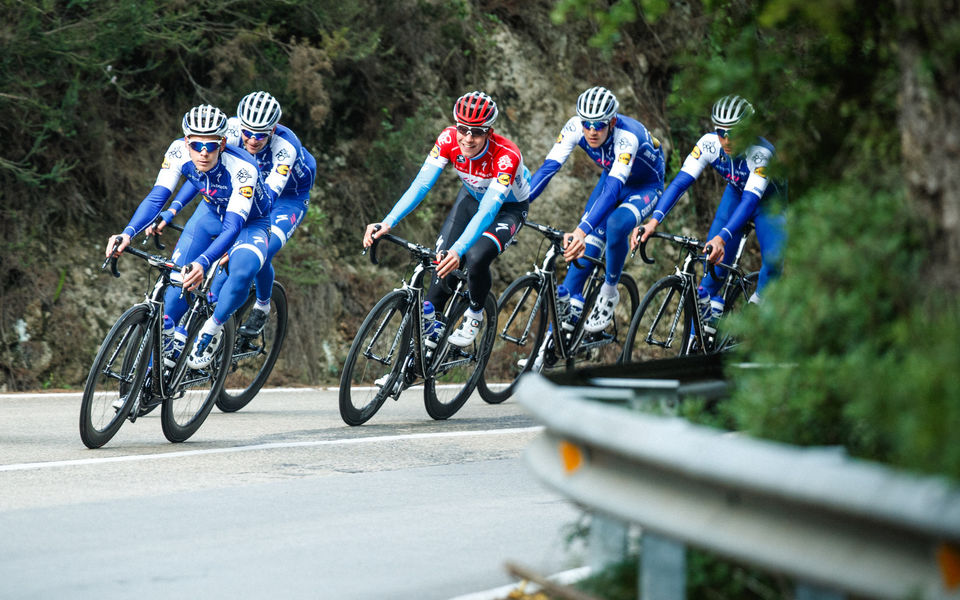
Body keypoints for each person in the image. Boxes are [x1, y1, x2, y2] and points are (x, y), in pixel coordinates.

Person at [105, 104, 272, 369]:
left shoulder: (243, 168)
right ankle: (150, 376)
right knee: (172, 296)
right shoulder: (177, 151)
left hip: (249, 223)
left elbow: (233, 226)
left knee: (241, 269)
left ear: (223, 143)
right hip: (209, 214)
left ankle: (212, 329)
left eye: (211, 146)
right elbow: (157, 196)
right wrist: (127, 234)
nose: (203, 153)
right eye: (196, 146)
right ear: (186, 142)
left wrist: (204, 262)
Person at [363, 90, 531, 347]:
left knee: (475, 257)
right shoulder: (448, 139)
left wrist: (459, 250)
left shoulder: (507, 155)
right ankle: (412, 364)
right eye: (463, 129)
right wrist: (387, 222)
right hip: (471, 197)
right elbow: (420, 184)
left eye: (477, 131)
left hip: (507, 209)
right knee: (440, 271)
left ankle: (475, 313)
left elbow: (488, 210)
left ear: (490, 131)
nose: (468, 138)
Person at [160, 91, 317, 337]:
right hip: (247, 190)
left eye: (261, 134)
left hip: (285, 198)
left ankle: (262, 305)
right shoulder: (230, 131)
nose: (253, 140)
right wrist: (174, 208)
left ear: (273, 129)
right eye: (248, 132)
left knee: (261, 250)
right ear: (240, 125)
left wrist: (234, 242)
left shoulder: (286, 146)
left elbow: (268, 200)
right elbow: (203, 171)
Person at [527, 86, 665, 332]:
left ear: (611, 122)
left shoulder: (627, 137)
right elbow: (549, 168)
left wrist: (581, 230)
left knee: (614, 226)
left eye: (599, 125)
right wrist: (520, 204)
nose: (591, 130)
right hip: (612, 177)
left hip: (644, 186)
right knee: (581, 259)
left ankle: (609, 292)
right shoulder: (574, 127)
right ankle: (545, 349)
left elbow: (612, 192)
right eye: (586, 123)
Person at [635, 95, 786, 319]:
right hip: (736, 195)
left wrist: (722, 237)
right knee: (711, 273)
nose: (726, 140)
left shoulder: (761, 153)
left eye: (733, 133)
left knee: (773, 261)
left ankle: (758, 308)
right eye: (721, 132)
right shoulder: (709, 144)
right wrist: (653, 222)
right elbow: (679, 183)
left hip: (768, 205)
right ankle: (702, 333)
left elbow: (751, 201)